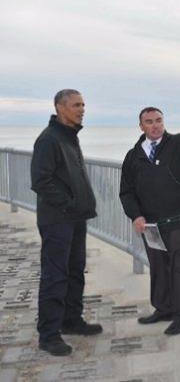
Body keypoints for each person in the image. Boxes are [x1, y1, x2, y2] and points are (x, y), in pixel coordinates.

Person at [119, 99, 180, 335]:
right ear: (141, 126)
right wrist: (136, 215)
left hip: (179, 217)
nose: (155, 125)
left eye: (159, 120)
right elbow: (126, 191)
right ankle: (163, 308)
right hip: (150, 223)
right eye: (149, 122)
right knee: (158, 266)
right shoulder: (133, 156)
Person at [30, 89, 103, 356]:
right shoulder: (49, 139)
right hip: (57, 219)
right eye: (76, 105)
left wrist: (78, 207)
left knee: (75, 270)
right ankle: (48, 335)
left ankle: (71, 320)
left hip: (74, 217)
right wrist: (69, 203)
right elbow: (41, 180)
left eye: (83, 104)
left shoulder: (69, 136)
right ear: (60, 108)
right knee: (55, 275)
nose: (82, 109)